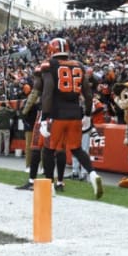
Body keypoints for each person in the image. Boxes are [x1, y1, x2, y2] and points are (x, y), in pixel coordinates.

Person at [40, 37, 103, 199]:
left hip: (57, 115)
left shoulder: (49, 65)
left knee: (49, 150)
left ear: (51, 50)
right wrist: (88, 115)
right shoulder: (79, 66)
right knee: (76, 148)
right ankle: (93, 174)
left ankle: (49, 184)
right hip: (76, 114)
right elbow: (88, 94)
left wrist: (44, 117)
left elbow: (47, 92)